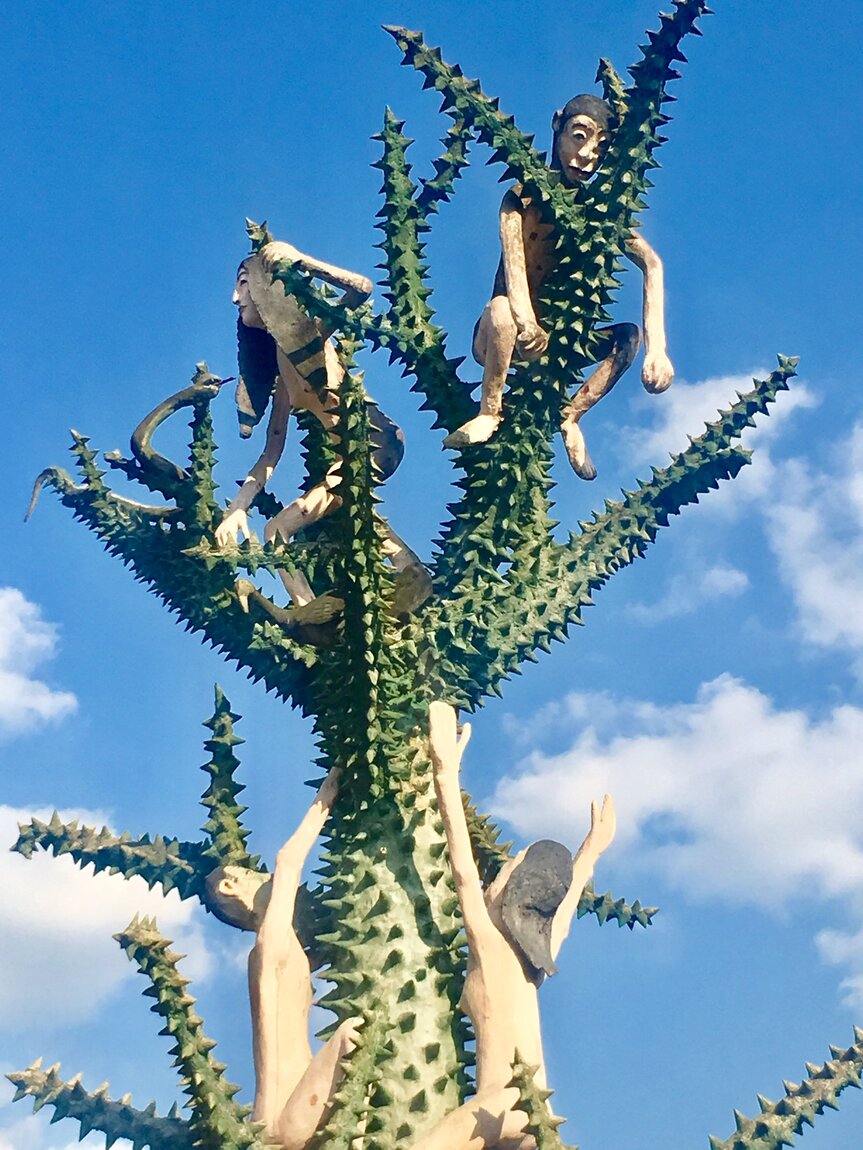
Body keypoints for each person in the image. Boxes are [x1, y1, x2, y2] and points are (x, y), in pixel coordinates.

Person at [410, 702, 616, 1150]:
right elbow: (565, 905)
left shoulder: (490, 942)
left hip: (501, 1104)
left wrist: (445, 772)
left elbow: (463, 868)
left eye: (503, 876)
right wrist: (592, 850)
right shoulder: (536, 959)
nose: (493, 881)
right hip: (538, 1116)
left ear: (507, 900)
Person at [445, 94, 674, 480]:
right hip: (501, 336)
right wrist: (525, 320)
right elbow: (513, 259)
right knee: (500, 310)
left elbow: (652, 262)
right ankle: (489, 412)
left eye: (600, 148)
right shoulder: (521, 196)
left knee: (627, 338)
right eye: (578, 136)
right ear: (557, 126)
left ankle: (571, 416)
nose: (586, 156)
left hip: (558, 339)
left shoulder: (597, 217)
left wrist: (658, 349)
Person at [216, 235, 428, 617]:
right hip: (350, 457)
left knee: (286, 525)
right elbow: (271, 452)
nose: (235, 297)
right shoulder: (282, 378)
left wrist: (299, 261)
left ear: (265, 284)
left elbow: (361, 288)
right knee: (327, 510)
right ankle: (397, 575)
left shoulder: (309, 334)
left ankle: (317, 608)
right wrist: (238, 507)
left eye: (244, 283)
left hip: (375, 438)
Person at [206, 768, 360, 1150]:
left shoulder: (276, 953)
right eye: (249, 872)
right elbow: (288, 862)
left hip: (285, 1107)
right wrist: (328, 792)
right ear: (230, 886)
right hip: (289, 1112)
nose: (263, 877)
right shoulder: (270, 939)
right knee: (355, 1033)